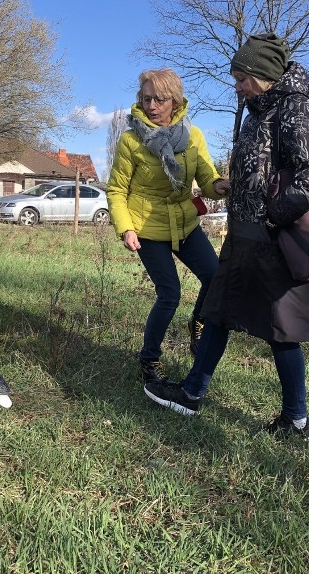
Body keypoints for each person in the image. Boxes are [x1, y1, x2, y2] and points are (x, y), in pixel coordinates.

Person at [143, 34, 309, 442]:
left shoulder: (295, 110)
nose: (237, 86)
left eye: (243, 77)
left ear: (264, 76)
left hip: (271, 240)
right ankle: (191, 394)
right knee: (219, 311)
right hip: (244, 237)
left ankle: (297, 421)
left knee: (281, 330)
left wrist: (271, 218)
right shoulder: (257, 110)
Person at [107, 68, 229, 384]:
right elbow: (117, 190)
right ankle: (149, 360)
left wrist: (223, 186)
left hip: (185, 223)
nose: (152, 106)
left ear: (174, 100)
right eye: (146, 99)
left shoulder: (193, 136)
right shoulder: (132, 140)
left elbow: (207, 179)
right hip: (147, 228)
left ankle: (198, 323)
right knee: (169, 294)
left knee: (215, 277)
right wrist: (126, 228)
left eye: (159, 99)